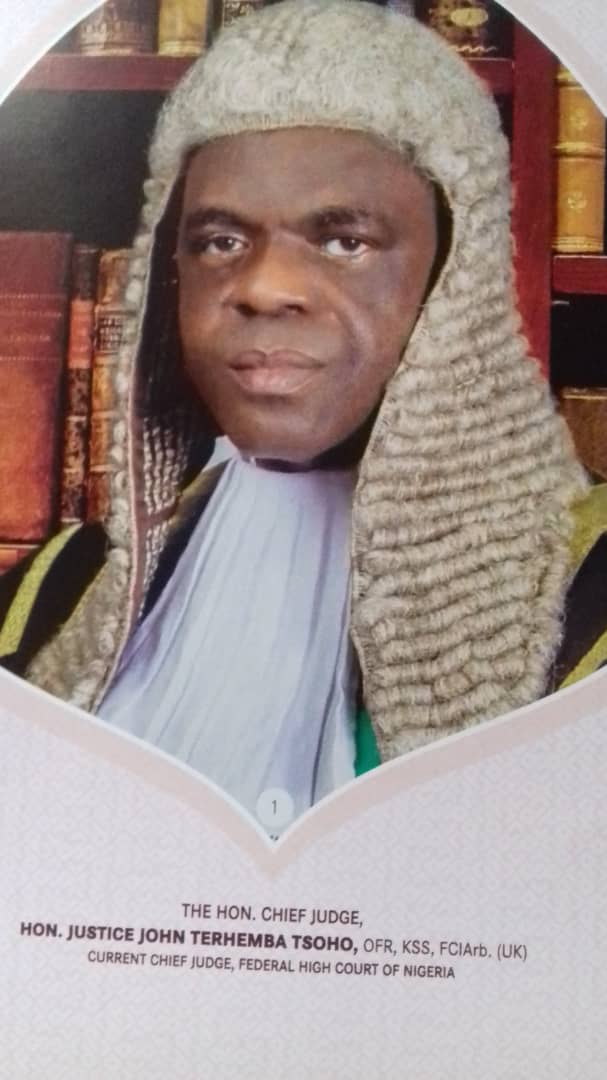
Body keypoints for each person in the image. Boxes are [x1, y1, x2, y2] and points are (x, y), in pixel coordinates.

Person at [1, 0, 605, 828]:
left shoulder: (588, 597)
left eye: (343, 240)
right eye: (219, 241)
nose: (263, 288)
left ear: (450, 278)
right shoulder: (56, 590)